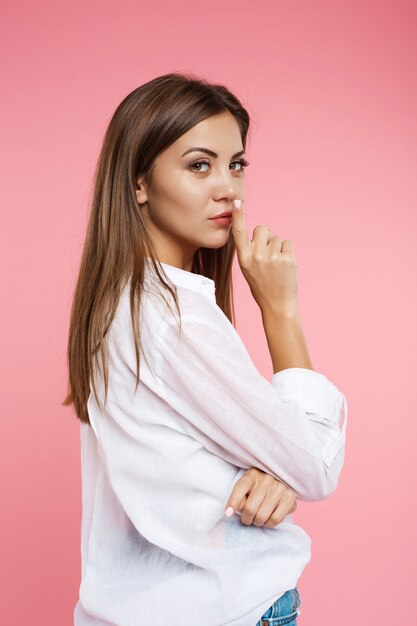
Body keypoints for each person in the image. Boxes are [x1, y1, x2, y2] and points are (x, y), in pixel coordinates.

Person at [63, 72, 348, 626]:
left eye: (236, 164)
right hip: (225, 611)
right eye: (199, 165)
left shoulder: (118, 301)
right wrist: (280, 311)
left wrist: (275, 469)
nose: (228, 188)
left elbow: (184, 461)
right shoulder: (173, 317)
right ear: (139, 182)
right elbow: (315, 466)